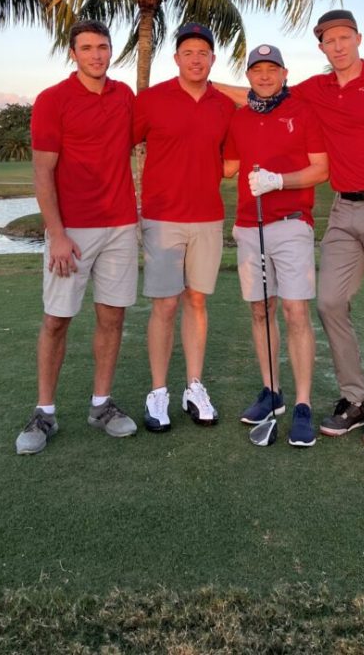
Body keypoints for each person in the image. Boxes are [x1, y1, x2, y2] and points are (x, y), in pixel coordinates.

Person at [216, 9, 364, 444]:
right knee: (327, 303)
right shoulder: (314, 89)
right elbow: (257, 89)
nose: (339, 46)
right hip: (345, 210)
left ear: (358, 38)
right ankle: (355, 399)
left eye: (345, 37)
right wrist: (200, 84)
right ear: (322, 47)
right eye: (330, 40)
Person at [15, 20, 138, 455]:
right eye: (87, 48)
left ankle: (101, 405)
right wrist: (57, 234)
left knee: (113, 317)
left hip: (122, 225)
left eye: (103, 47)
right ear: (73, 53)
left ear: (111, 51)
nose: (96, 55)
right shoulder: (53, 100)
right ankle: (44, 412)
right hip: (73, 231)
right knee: (56, 319)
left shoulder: (124, 96)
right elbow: (42, 171)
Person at [223, 44, 328, 447]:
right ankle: (272, 393)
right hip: (250, 226)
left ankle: (302, 405)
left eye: (272, 70)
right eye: (257, 71)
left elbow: (322, 168)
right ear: (248, 76)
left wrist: (280, 181)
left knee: (294, 310)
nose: (264, 77)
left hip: (291, 223)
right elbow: (228, 167)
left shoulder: (303, 112)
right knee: (260, 309)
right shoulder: (239, 119)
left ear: (285, 73)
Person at [133, 22, 235, 433]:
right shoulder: (152, 100)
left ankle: (194, 387)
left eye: (204, 53)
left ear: (213, 60)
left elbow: (232, 161)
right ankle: (159, 392)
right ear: (176, 59)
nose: (196, 59)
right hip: (161, 217)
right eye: (188, 53)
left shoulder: (224, 105)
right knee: (165, 304)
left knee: (196, 300)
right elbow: (122, 143)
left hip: (207, 217)